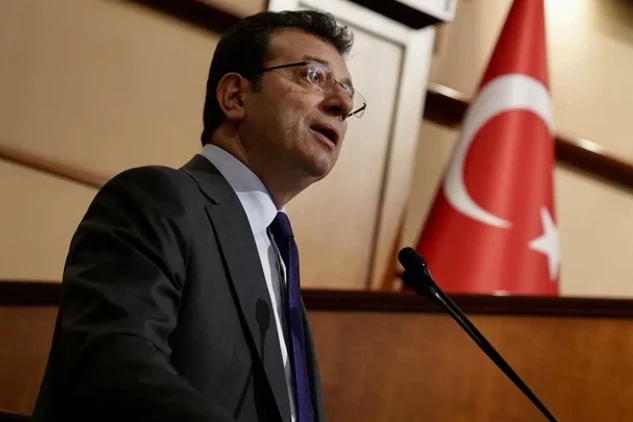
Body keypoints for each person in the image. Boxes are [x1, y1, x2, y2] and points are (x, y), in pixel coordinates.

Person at [32, 8, 366, 422]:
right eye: (313, 75)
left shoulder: (278, 257)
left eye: (348, 93)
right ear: (235, 96)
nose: (341, 103)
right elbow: (111, 368)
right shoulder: (157, 200)